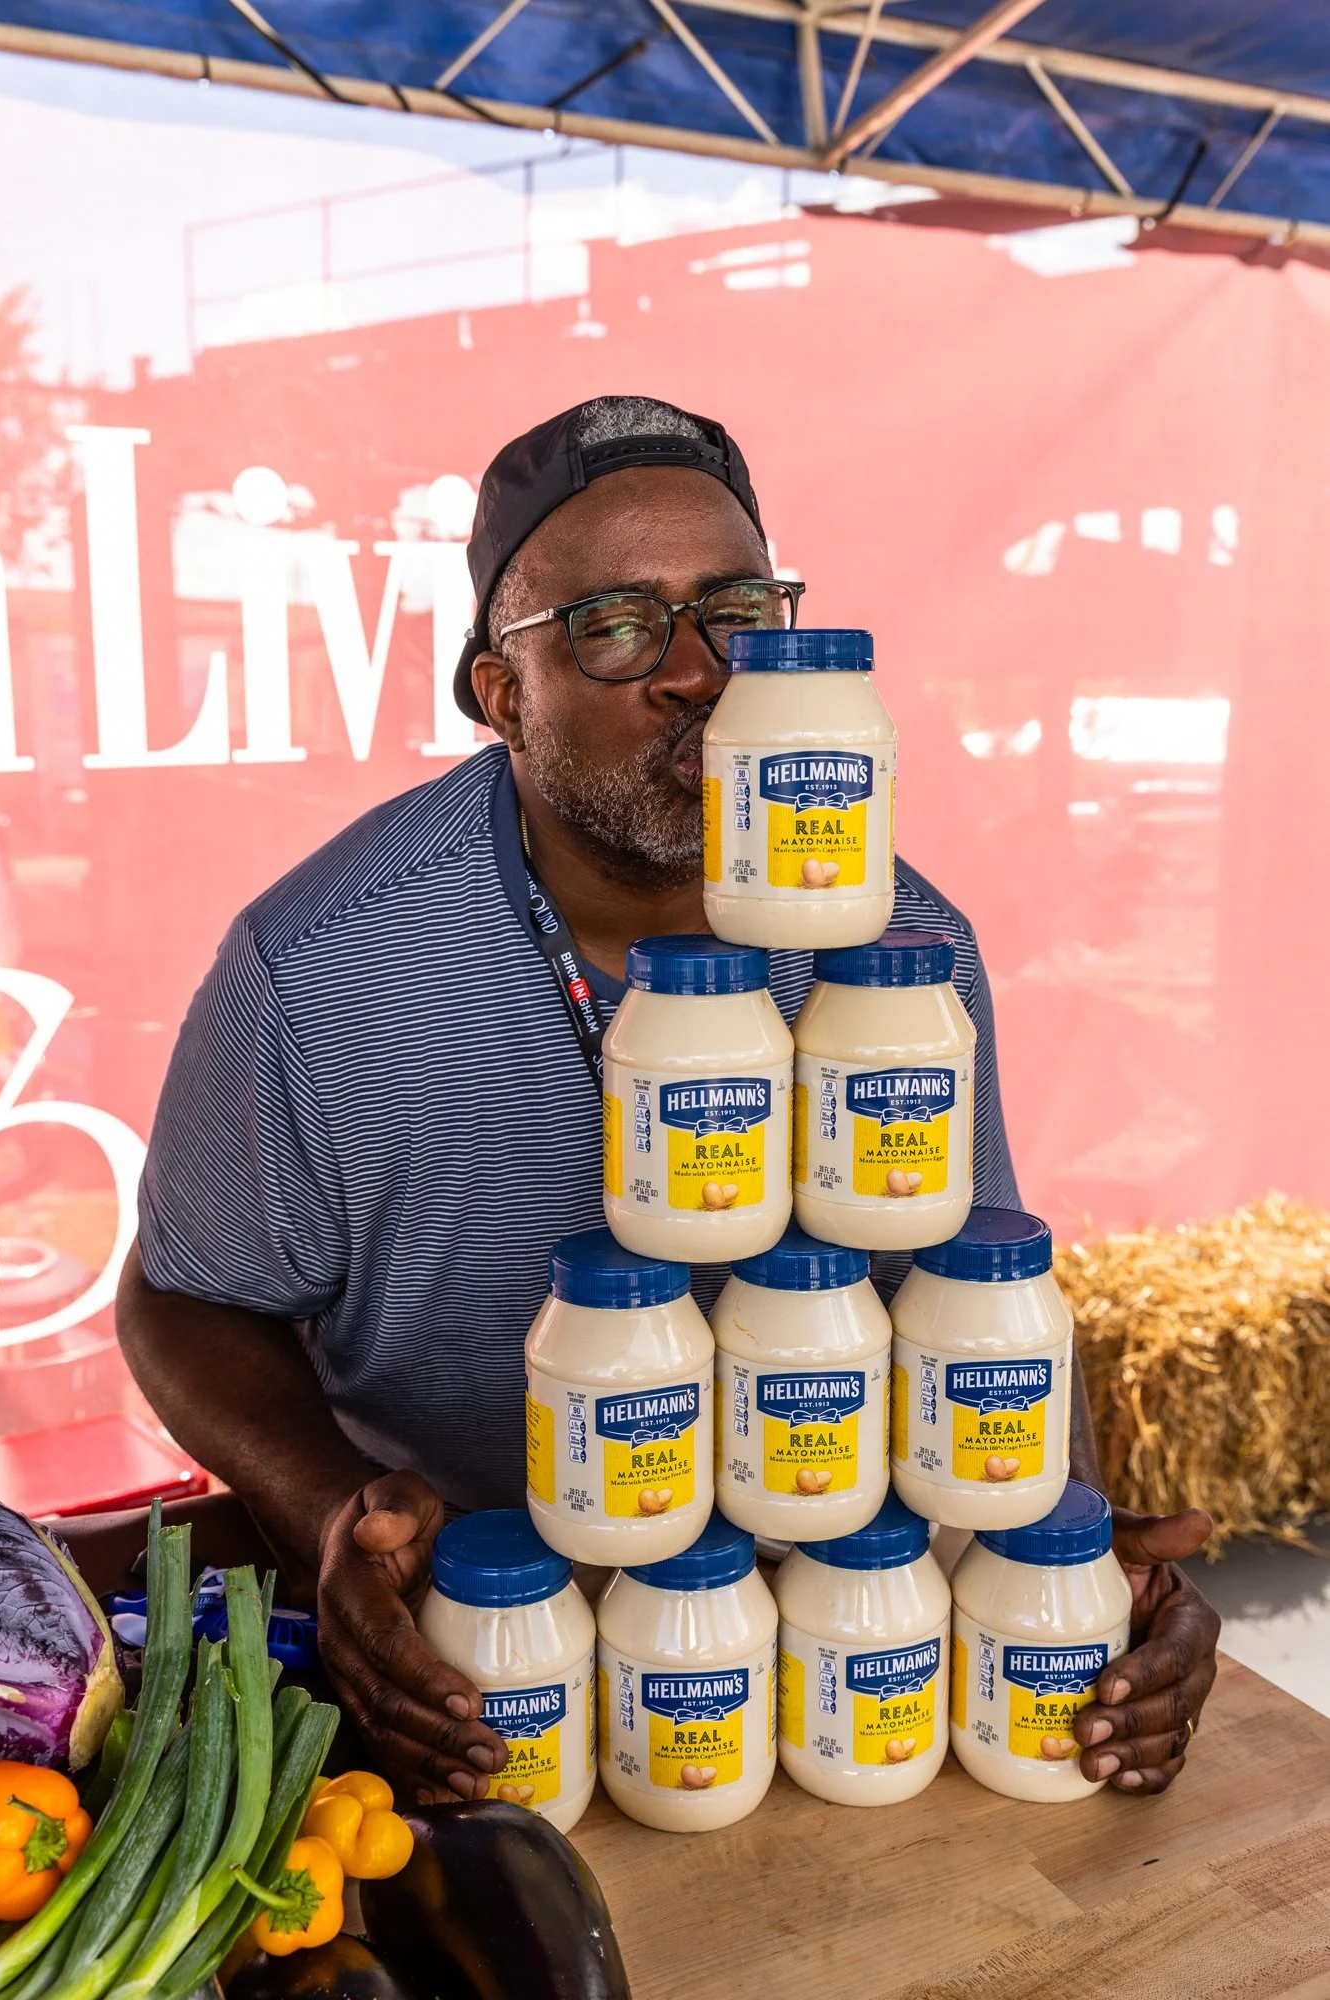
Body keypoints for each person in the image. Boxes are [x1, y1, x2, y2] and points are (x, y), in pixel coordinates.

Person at [118, 394, 1219, 1806]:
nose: (701, 670)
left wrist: (1070, 1562)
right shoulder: (320, 972)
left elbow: (969, 1280)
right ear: (499, 693)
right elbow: (180, 1296)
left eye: (739, 611)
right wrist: (332, 1514)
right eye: (618, 624)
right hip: (485, 1671)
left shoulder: (898, 953)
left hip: (832, 1643)